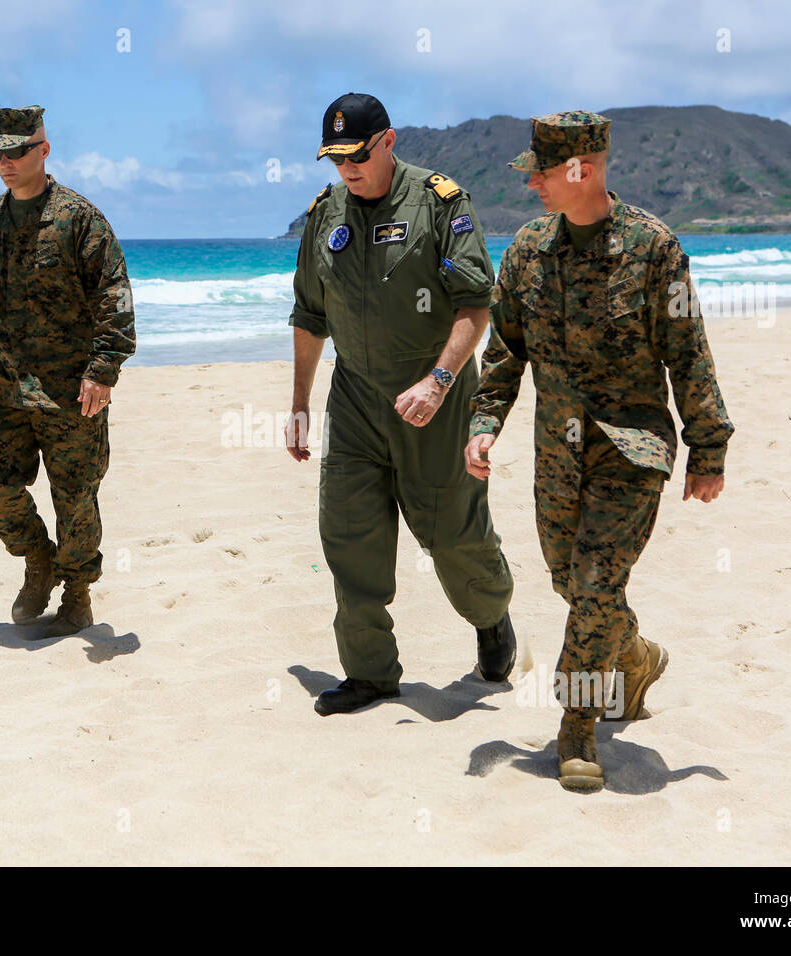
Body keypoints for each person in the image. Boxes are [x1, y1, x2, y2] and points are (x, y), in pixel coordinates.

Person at [463, 111, 733, 791]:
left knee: (593, 586)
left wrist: (708, 448)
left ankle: (577, 727)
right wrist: (484, 421)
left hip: (632, 449)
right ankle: (634, 656)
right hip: (559, 451)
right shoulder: (526, 250)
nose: (534, 188)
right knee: (574, 584)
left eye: (543, 174)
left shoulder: (654, 249)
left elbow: (687, 351)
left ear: (582, 169)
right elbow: (504, 352)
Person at [287, 92, 516, 716]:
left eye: (357, 156)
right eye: (335, 159)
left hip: (435, 399)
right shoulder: (324, 212)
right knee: (348, 534)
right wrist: (301, 401)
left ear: (387, 142)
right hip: (356, 398)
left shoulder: (441, 203)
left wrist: (440, 380)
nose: (346, 170)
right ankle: (369, 675)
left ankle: (492, 618)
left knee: (452, 538)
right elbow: (310, 315)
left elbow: (475, 304)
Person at [0, 105, 135, 638]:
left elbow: (113, 298)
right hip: (0, 383)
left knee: (75, 497)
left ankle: (77, 595)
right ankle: (38, 559)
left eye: (16, 152)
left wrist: (103, 370)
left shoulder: (80, 218)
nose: (5, 163)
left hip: (69, 391)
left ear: (43, 150)